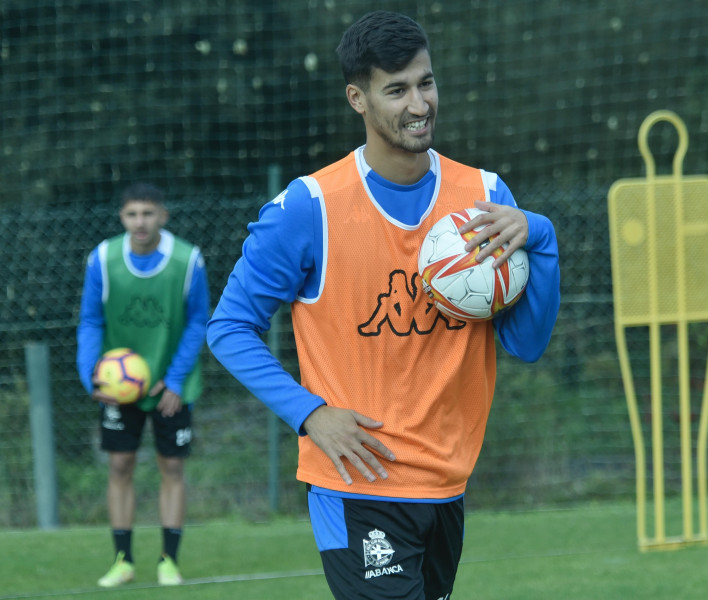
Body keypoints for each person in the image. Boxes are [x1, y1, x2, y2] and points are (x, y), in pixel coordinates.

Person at [207, 10, 560, 600]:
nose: (418, 103)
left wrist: (542, 236)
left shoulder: (485, 198)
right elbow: (229, 327)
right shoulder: (310, 207)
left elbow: (525, 343)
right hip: (358, 486)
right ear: (358, 98)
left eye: (425, 82)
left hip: (447, 486)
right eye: (396, 90)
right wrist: (310, 413)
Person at [76, 182, 208, 587]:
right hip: (119, 386)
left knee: (171, 466)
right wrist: (91, 375)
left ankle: (169, 560)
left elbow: (197, 322)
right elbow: (91, 321)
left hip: (171, 386)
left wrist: (173, 380)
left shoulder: (188, 261)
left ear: (162, 216)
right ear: (122, 218)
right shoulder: (103, 258)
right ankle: (123, 560)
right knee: (119, 465)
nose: (140, 222)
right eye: (132, 214)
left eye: (148, 213)